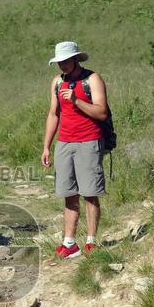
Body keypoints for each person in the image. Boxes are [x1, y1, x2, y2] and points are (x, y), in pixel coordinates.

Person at [41, 41, 109, 259]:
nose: (62, 65)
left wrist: (76, 100)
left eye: (66, 61)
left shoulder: (92, 79)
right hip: (64, 142)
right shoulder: (57, 82)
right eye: (59, 62)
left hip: (89, 140)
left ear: (76, 59)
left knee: (90, 193)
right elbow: (53, 114)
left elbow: (101, 113)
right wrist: (47, 146)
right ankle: (69, 242)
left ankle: (91, 241)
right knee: (68, 193)